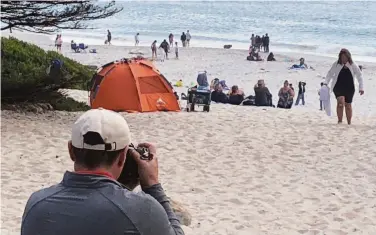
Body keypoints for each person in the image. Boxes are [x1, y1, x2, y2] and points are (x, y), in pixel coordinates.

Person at [21, 108, 184, 235]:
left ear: (71, 150)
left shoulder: (37, 203)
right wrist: (152, 185)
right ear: (122, 157)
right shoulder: (141, 208)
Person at [325, 48, 364, 124]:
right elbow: (330, 74)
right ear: (340, 57)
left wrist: (361, 88)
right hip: (338, 86)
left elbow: (360, 76)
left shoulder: (353, 64)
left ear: (348, 57)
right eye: (342, 57)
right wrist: (325, 83)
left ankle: (349, 123)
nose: (344, 59)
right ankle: (340, 121)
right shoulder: (336, 64)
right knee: (340, 103)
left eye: (345, 57)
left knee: (348, 105)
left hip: (349, 87)